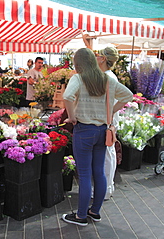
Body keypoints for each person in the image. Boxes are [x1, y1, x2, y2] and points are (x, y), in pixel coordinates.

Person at [62, 48, 132, 226]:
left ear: (78, 63)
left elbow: (67, 96)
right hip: (102, 131)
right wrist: (110, 112)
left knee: (84, 175)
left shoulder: (78, 78)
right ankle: (95, 211)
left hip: (84, 131)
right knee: (99, 172)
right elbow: (128, 95)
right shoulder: (106, 79)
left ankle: (80, 216)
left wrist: (71, 117)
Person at [97, 47, 120, 200]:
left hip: (107, 120)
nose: (96, 57)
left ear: (104, 58)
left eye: (99, 54)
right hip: (109, 119)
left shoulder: (107, 77)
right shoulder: (108, 76)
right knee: (108, 153)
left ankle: (105, 189)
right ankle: (107, 187)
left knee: (107, 154)